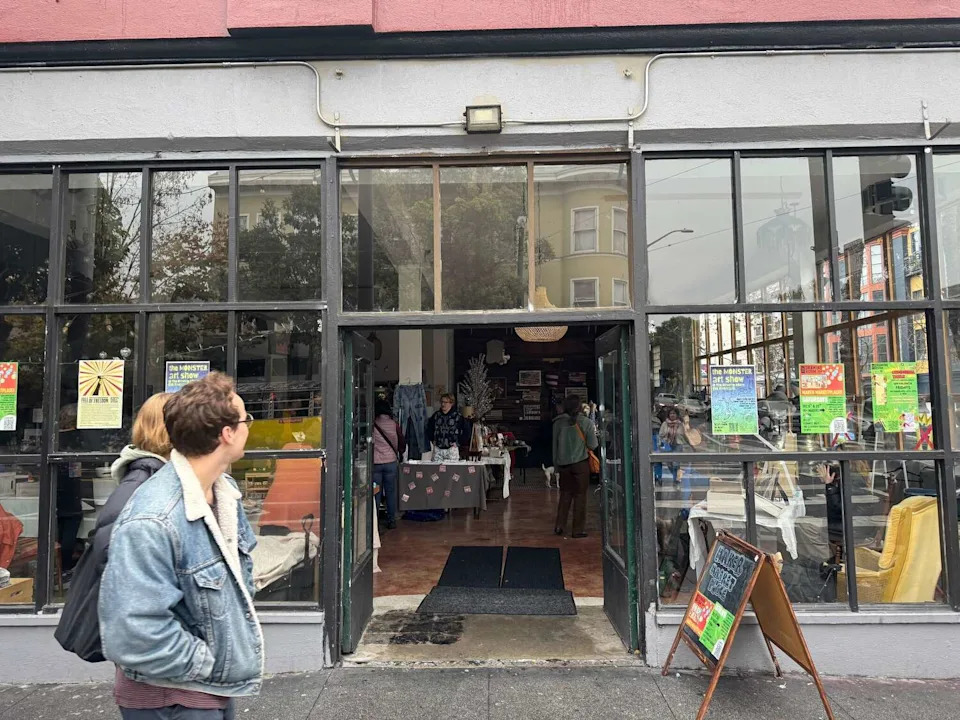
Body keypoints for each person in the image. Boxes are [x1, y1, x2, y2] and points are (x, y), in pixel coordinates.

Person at [99, 372, 261, 719]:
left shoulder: (224, 494)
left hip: (211, 690)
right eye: (247, 419)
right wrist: (209, 661)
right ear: (227, 433)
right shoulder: (153, 517)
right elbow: (133, 631)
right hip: (169, 701)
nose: (250, 426)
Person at [54, 393, 173, 662]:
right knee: (70, 527)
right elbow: (110, 552)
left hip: (149, 648)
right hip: (146, 652)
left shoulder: (153, 475)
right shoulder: (144, 478)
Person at [552, 394, 598, 538]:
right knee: (580, 497)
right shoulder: (586, 423)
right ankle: (577, 530)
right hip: (580, 465)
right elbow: (593, 444)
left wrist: (556, 465)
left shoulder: (557, 423)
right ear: (579, 407)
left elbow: (555, 446)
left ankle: (560, 526)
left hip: (564, 465)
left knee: (565, 495)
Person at [373, 398, 405, 530]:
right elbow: (402, 441)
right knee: (391, 492)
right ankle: (391, 519)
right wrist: (400, 452)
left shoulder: (373, 424)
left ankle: (374, 522)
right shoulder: (394, 424)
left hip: (376, 463)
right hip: (391, 462)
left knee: (376, 492)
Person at [425, 393, 468, 463]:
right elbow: (429, 428)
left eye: (445, 402)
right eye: (441, 402)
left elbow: (467, 431)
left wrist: (459, 442)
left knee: (452, 471)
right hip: (438, 449)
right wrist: (432, 439)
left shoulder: (458, 416)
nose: (443, 404)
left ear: (451, 403)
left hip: (451, 449)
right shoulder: (436, 416)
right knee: (436, 471)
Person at [659, 407, 687, 485]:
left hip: (677, 445)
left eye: (674, 413)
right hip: (668, 445)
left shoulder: (680, 424)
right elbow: (660, 435)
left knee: (676, 464)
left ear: (677, 415)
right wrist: (667, 434)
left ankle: (676, 479)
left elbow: (683, 434)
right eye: (671, 413)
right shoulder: (665, 424)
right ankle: (676, 476)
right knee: (669, 463)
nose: (672, 415)